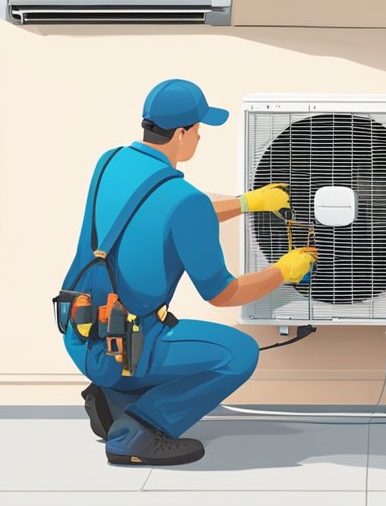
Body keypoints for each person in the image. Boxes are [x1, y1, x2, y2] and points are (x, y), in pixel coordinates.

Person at [59, 78, 318, 465]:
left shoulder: (110, 161)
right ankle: (138, 433)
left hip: (79, 332)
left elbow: (163, 215)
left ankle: (112, 401)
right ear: (181, 134)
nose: (200, 137)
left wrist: (247, 202)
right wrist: (284, 270)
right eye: (199, 129)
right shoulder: (186, 201)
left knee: (159, 341)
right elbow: (223, 293)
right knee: (238, 354)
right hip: (129, 347)